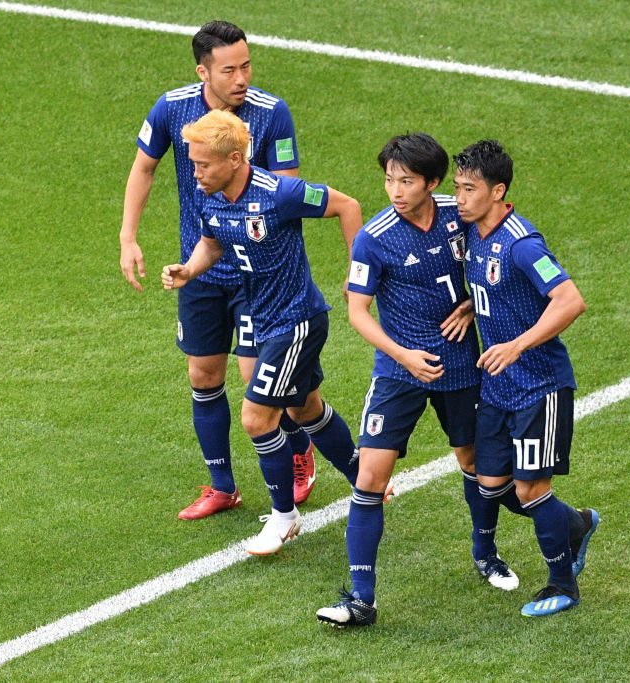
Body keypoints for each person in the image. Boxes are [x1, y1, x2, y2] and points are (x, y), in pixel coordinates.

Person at [316, 133, 529, 629]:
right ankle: (361, 599)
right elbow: (357, 312)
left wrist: (473, 304)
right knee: (370, 478)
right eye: (389, 180)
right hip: (399, 372)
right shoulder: (374, 237)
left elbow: (496, 263)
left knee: (473, 462)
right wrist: (403, 356)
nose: (395, 190)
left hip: (462, 369)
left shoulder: (463, 213)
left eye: (406, 181)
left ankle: (486, 554)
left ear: (432, 183)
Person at [120, 21, 316, 521]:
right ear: (202, 71)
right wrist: (128, 237)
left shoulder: (271, 113)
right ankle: (222, 486)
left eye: (246, 65)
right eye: (229, 69)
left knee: (260, 381)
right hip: (200, 269)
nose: (242, 77)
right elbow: (144, 167)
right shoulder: (172, 108)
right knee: (203, 374)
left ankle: (300, 452)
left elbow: (287, 193)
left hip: (258, 276)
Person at [161, 109, 363, 555]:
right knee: (306, 408)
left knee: (257, 417)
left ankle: (284, 517)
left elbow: (347, 206)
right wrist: (189, 270)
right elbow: (212, 242)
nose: (195, 173)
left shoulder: (280, 193)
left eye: (203, 164)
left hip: (297, 321)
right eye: (193, 163)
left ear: (235, 159)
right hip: (266, 319)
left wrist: (356, 273)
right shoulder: (210, 197)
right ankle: (365, 478)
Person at [454, 139, 600, 617]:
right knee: (491, 483)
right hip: (499, 387)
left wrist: (516, 345)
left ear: (498, 191)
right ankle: (574, 524)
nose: (460, 198)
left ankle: (562, 584)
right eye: (457, 187)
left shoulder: (522, 244)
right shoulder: (473, 230)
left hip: (540, 387)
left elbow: (570, 301)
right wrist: (474, 305)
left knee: (530, 490)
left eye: (469, 189)